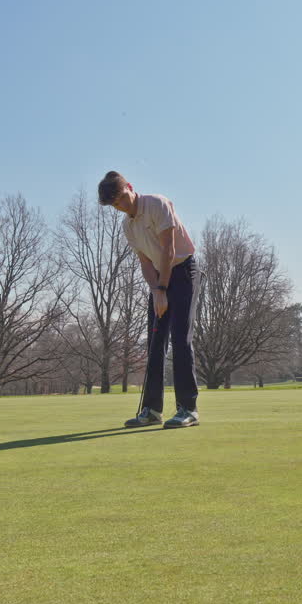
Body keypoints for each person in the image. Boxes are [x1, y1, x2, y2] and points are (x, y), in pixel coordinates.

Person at [98, 171, 200, 429]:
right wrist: (156, 291)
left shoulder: (157, 203)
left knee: (180, 339)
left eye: (122, 198)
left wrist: (163, 288)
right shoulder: (128, 226)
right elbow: (145, 262)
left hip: (184, 271)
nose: (122, 206)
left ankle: (188, 408)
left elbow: (169, 249)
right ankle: (152, 409)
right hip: (159, 278)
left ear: (130, 188)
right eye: (116, 205)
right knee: (155, 342)